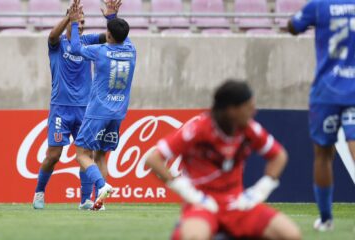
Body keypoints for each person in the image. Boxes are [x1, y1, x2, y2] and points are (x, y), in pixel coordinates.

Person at [146, 81, 302, 240]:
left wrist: (261, 189)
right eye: (248, 107)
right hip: (203, 205)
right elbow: (154, 159)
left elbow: (278, 156)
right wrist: (188, 192)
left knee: (291, 234)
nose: (254, 111)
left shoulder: (249, 129)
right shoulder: (198, 129)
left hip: (238, 205)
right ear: (231, 110)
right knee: (194, 237)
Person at [32, 0, 122, 210]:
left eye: (83, 22)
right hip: (60, 109)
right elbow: (51, 36)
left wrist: (113, 18)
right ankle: (39, 192)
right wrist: (68, 19)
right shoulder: (58, 44)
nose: (80, 26)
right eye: (78, 22)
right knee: (53, 155)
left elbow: (113, 37)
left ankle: (85, 200)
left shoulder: (88, 42)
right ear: (69, 21)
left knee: (86, 155)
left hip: (85, 109)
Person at [288, 0, 355, 231]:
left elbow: (293, 26)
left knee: (323, 153)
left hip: (326, 90)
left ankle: (326, 219)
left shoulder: (318, 6)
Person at [68, 0, 136, 210]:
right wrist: (112, 17)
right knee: (101, 155)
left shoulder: (101, 51)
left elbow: (75, 47)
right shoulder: (131, 50)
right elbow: (120, 35)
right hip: (118, 113)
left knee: (82, 154)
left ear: (108, 35)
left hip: (98, 111)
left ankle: (102, 185)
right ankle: (101, 202)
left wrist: (72, 23)